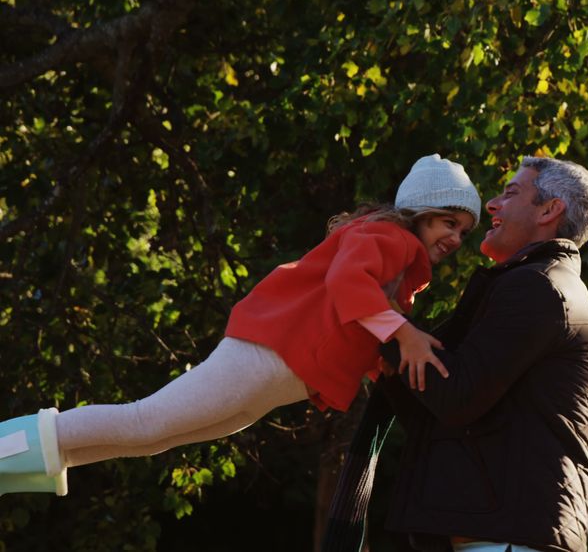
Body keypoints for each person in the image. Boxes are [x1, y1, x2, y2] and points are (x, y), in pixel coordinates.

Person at [0, 154, 481, 498]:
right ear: (418, 213)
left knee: (154, 437)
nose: (456, 237)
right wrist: (404, 333)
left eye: (463, 230)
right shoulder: (388, 237)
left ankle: (14, 471)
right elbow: (346, 284)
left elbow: (357, 328)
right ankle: (7, 448)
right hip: (269, 353)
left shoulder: (401, 272)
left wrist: (388, 364)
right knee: (147, 420)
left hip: (277, 373)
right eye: (447, 222)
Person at [323, 156, 588, 552]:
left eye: (511, 193)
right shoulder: (531, 285)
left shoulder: (537, 289)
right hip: (500, 537)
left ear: (549, 210)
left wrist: (387, 325)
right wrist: (392, 347)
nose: (492, 204)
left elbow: (457, 397)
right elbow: (435, 413)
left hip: (508, 541)